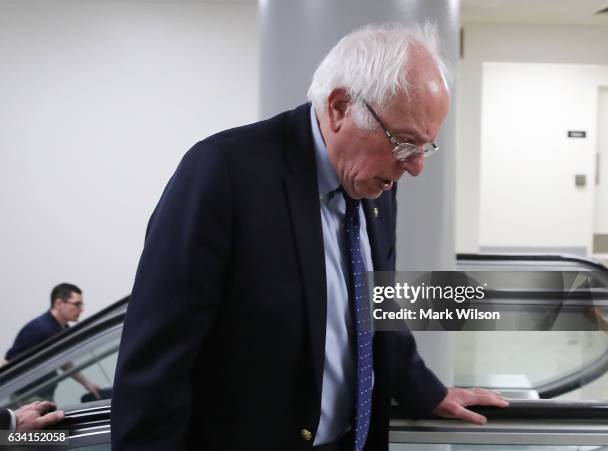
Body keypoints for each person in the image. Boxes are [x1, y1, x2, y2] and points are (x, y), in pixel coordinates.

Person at [111, 23, 508, 451]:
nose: (414, 168)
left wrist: (427, 391)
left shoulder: (375, 183)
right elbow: (156, 367)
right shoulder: (223, 174)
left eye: (424, 147)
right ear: (339, 107)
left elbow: (375, 304)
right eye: (404, 142)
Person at [4, 283, 100, 400]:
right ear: (58, 303)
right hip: (27, 398)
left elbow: (63, 361)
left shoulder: (62, 328)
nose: (81, 309)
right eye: (77, 305)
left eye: (81, 305)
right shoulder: (39, 329)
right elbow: (7, 362)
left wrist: (87, 384)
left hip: (42, 394)